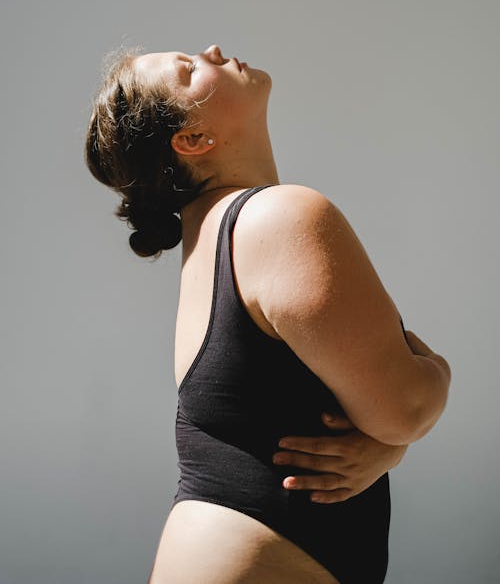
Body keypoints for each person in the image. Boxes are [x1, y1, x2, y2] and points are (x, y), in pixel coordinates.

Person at [85, 43, 452, 584]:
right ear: (192, 140)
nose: (211, 50)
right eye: (189, 70)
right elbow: (404, 409)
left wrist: (387, 444)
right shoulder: (280, 219)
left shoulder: (214, 235)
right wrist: (437, 371)